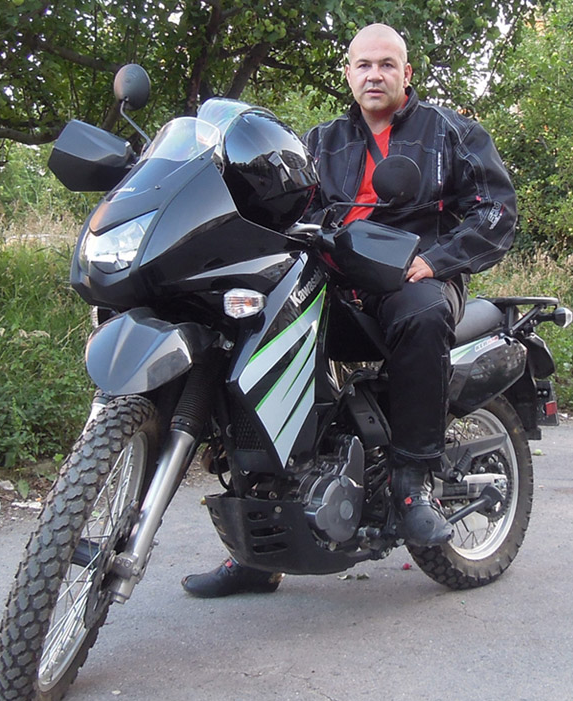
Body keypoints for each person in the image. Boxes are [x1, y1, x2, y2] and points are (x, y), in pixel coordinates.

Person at [182, 23, 517, 598]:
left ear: (407, 73)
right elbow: (278, 208)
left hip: (413, 274)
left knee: (419, 316)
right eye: (364, 65)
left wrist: (436, 260)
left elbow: (496, 212)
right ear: (348, 74)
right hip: (334, 275)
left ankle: (413, 484)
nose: (375, 75)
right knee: (246, 332)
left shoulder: (451, 132)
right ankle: (258, 546)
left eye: (387, 64)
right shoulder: (319, 142)